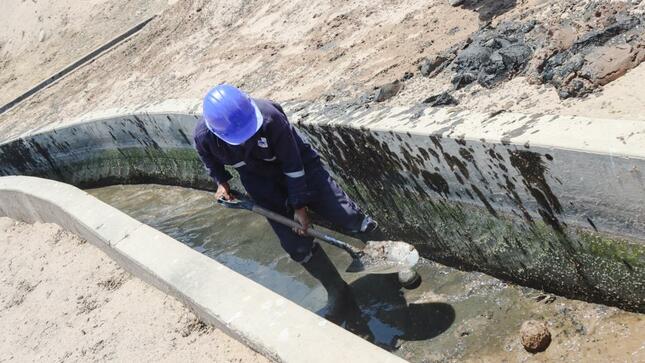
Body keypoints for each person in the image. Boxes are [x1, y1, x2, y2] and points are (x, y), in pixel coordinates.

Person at [193, 84, 379, 321]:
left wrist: (299, 207)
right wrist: (221, 182)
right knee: (296, 245)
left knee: (346, 215)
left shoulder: (270, 117)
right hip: (261, 184)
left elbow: (293, 165)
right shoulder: (205, 136)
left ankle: (388, 257)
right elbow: (208, 159)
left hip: (301, 169)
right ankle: (337, 290)